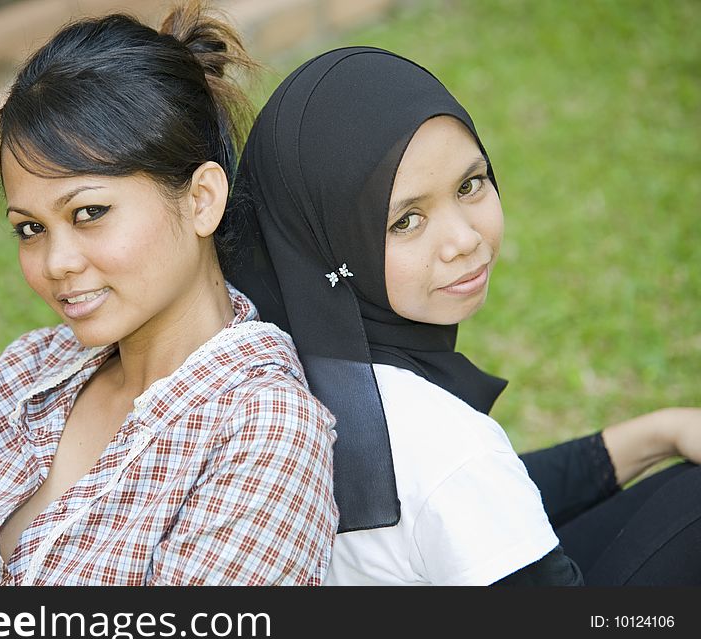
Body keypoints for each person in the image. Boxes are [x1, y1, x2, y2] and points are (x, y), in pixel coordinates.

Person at [0, 1, 338, 586]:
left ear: (201, 200)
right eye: (30, 229)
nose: (57, 263)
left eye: (90, 212)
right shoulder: (34, 375)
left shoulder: (262, 429)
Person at [229, 45, 701, 585]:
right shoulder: (441, 447)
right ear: (327, 240)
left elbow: (483, 505)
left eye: (469, 185)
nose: (464, 239)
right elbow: (463, 484)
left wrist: (661, 434)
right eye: (406, 220)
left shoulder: (274, 369)